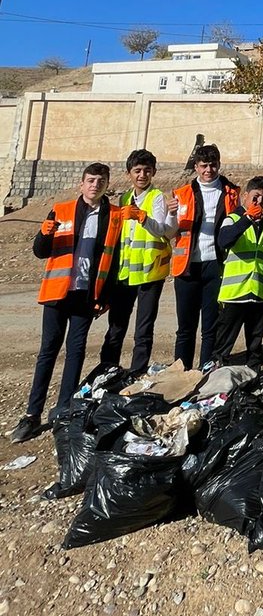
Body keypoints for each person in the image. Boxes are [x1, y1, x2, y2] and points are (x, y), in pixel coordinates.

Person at [10, 163, 124, 443]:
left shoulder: (114, 216)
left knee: (76, 351)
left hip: (86, 295)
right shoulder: (61, 210)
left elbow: (113, 257)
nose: (95, 185)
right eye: (90, 180)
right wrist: (44, 234)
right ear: (81, 184)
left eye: (100, 180)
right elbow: (40, 252)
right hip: (57, 292)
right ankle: (31, 415)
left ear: (107, 184)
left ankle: (64, 409)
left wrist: (104, 297)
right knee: (47, 351)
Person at [165, 143, 240, 369]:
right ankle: (182, 371)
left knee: (211, 326)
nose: (209, 170)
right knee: (185, 327)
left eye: (213, 165)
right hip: (186, 267)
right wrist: (170, 215)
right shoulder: (181, 194)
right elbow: (170, 231)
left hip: (216, 266)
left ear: (219, 165)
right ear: (196, 167)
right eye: (204, 165)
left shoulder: (231, 193)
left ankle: (206, 371)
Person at [99, 149, 173, 376]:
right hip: (126, 273)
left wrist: (143, 218)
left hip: (150, 273)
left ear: (153, 173)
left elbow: (164, 231)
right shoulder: (123, 199)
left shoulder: (157, 197)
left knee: (143, 327)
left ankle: (138, 370)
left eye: (147, 171)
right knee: (117, 325)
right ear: (129, 173)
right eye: (138, 171)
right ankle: (108, 367)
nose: (142, 175)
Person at [213, 175, 263, 372]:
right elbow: (224, 241)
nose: (259, 202)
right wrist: (247, 219)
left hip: (258, 292)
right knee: (224, 341)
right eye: (256, 197)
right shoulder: (232, 219)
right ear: (246, 195)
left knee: (255, 340)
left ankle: (253, 373)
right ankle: (215, 374)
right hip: (235, 292)